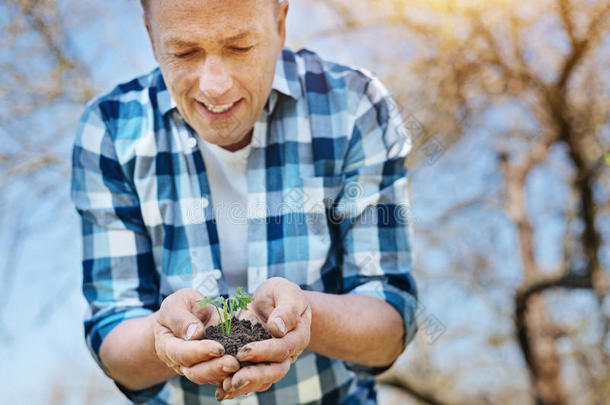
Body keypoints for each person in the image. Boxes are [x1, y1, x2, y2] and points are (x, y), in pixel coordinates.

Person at [70, 0, 418, 403]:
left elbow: (389, 325)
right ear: (150, 36)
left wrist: (305, 315)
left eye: (239, 47)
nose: (215, 85)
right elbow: (113, 336)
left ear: (280, 23)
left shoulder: (356, 106)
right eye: (184, 52)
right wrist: (161, 337)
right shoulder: (110, 131)